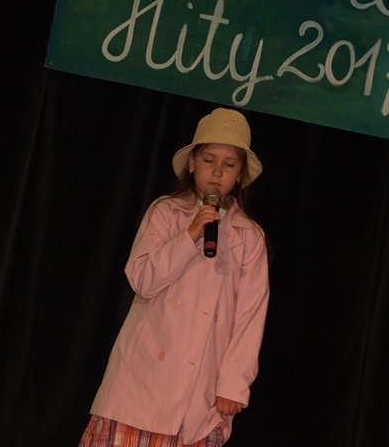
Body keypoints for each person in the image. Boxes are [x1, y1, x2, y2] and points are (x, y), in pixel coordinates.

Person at [78, 107, 270, 447]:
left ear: (240, 175)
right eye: (209, 160)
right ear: (192, 163)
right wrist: (190, 234)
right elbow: (142, 280)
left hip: (200, 389)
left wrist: (233, 383)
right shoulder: (165, 212)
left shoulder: (249, 236)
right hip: (142, 380)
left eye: (229, 164)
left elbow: (250, 315)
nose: (217, 172)